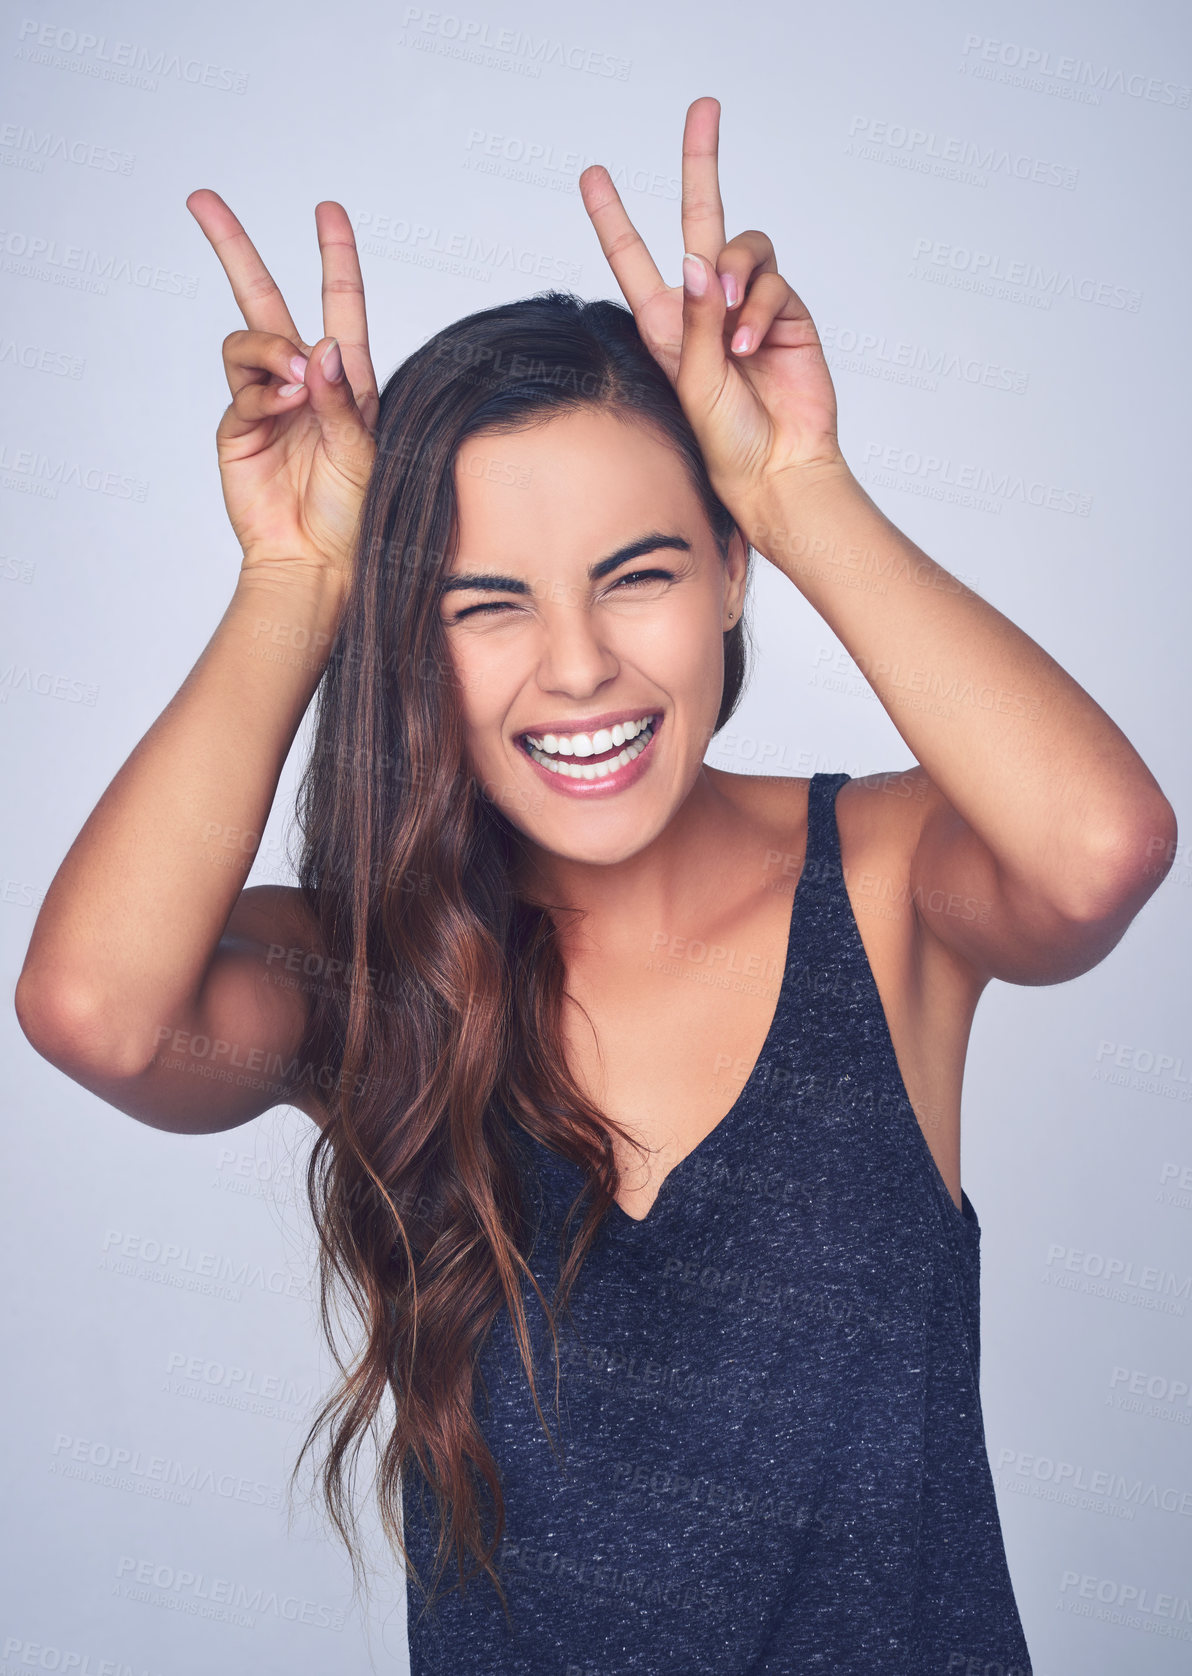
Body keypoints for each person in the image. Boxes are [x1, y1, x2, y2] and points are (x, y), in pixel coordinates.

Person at [14, 96, 1175, 1674]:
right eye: (483, 605)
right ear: (407, 639)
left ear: (729, 572)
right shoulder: (384, 977)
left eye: (640, 573)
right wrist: (295, 583)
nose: (577, 668)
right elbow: (95, 1011)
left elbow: (1103, 846)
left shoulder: (888, 878)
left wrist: (800, 483)